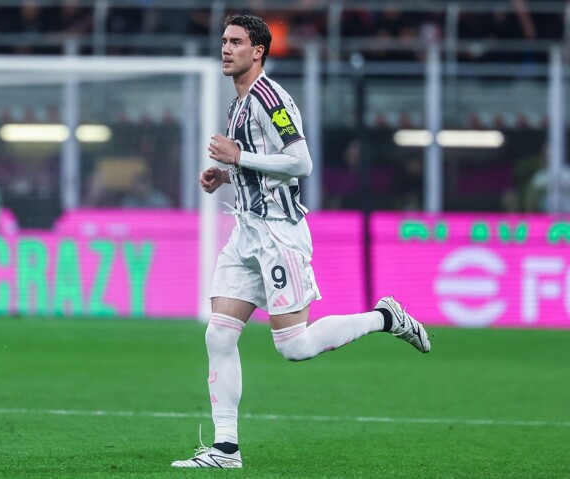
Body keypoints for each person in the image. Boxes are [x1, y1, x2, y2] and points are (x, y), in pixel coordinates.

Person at [171, 14, 431, 470]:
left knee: (294, 346)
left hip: (278, 234)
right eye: (224, 41)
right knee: (219, 334)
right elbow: (264, 166)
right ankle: (226, 449)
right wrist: (228, 175)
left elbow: (301, 163)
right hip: (246, 229)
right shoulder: (238, 104)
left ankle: (384, 317)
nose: (226, 49)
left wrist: (238, 156)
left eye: (236, 42)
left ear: (258, 51)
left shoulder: (271, 99)